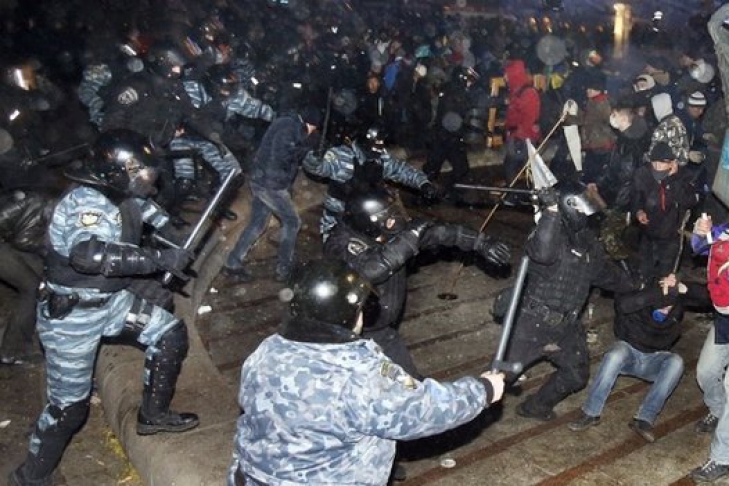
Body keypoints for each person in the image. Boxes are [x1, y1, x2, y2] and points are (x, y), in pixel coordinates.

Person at [9, 130, 199, 486]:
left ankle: (153, 415)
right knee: (69, 410)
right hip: (74, 317)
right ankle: (30, 476)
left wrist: (175, 238)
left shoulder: (122, 194)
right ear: (117, 170)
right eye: (141, 171)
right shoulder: (88, 203)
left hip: (110, 302)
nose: (149, 179)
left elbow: (151, 215)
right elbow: (90, 255)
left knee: (170, 334)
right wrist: (159, 259)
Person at [228, 259, 506, 486]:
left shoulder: (267, 350)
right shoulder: (359, 373)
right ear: (346, 315)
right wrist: (482, 390)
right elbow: (423, 410)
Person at [324, 185, 511, 377]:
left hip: (383, 333)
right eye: (388, 218)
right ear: (368, 222)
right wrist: (409, 238)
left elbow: (438, 233)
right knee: (373, 384)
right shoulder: (340, 244)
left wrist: (479, 241)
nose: (394, 221)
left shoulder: (389, 233)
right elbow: (369, 269)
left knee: (411, 383)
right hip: (352, 337)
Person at [507, 180, 641, 421]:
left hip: (566, 325)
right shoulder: (547, 234)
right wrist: (550, 212)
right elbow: (543, 253)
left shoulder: (587, 242)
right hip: (532, 322)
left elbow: (605, 274)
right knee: (497, 379)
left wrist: (638, 284)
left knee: (575, 376)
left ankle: (536, 406)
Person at [568, 274, 709, 442]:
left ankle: (644, 419)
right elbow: (624, 304)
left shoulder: (677, 304)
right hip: (629, 353)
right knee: (615, 355)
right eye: (662, 304)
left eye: (669, 305)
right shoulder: (642, 299)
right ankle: (591, 412)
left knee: (676, 362)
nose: (665, 309)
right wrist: (656, 293)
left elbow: (708, 297)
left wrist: (682, 287)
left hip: (654, 359)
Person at [222, 107, 321, 283]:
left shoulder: (289, 125)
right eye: (314, 128)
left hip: (263, 180)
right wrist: (304, 149)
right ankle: (284, 268)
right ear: (310, 124)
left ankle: (232, 263)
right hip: (270, 184)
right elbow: (281, 156)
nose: (313, 132)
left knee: (257, 223)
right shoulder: (288, 128)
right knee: (292, 222)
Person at [302, 125, 438, 240]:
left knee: (399, 238)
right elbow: (319, 168)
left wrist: (423, 183)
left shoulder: (379, 158)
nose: (380, 147)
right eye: (376, 143)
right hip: (341, 221)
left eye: (381, 143)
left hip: (371, 216)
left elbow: (400, 170)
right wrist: (315, 156)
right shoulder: (342, 157)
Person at [688, 214, 729, 482]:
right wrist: (699, 231)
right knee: (706, 372)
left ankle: (722, 458)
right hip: (724, 320)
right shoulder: (726, 230)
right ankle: (717, 410)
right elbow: (699, 246)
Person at [631, 141, 700, 280]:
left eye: (662, 164)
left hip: (671, 235)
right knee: (643, 272)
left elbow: (690, 201)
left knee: (666, 276)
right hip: (648, 232)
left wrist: (672, 179)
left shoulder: (684, 177)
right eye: (654, 163)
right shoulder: (643, 174)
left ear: (672, 163)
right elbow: (636, 197)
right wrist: (638, 211)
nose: (657, 168)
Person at [0, 189, 53, 365]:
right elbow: (22, 239)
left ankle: (24, 334)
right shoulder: (40, 204)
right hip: (5, 244)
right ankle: (12, 352)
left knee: (40, 279)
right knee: (31, 287)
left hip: (11, 243)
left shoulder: (52, 206)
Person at [502, 59, 541, 186]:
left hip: (523, 137)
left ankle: (515, 191)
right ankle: (521, 190)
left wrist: (520, 135)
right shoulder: (516, 91)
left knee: (514, 165)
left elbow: (530, 118)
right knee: (521, 166)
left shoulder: (528, 93)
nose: (505, 77)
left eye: (507, 74)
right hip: (517, 136)